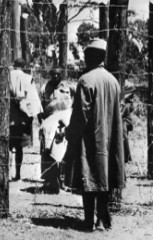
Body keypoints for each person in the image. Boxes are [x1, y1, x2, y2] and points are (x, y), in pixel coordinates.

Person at [62, 38, 124, 232]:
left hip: (89, 139)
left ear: (94, 56)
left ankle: (88, 221)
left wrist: (69, 133)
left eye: (87, 55)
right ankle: (100, 221)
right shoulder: (113, 81)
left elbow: (80, 115)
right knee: (103, 179)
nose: (85, 58)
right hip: (109, 138)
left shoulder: (85, 80)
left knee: (88, 178)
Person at [38, 67, 75, 193]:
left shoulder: (69, 87)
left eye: (58, 74)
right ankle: (49, 180)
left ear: (61, 75)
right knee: (47, 152)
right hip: (49, 122)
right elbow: (39, 106)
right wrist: (42, 121)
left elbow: (78, 100)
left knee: (63, 151)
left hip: (65, 122)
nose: (55, 77)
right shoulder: (44, 88)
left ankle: (64, 181)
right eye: (53, 74)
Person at [9, 58, 42, 181]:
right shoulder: (28, 78)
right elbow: (33, 99)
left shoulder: (7, 76)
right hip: (22, 119)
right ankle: (18, 174)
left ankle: (6, 171)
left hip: (9, 116)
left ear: (14, 65)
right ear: (24, 66)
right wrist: (36, 115)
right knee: (19, 148)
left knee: (8, 146)